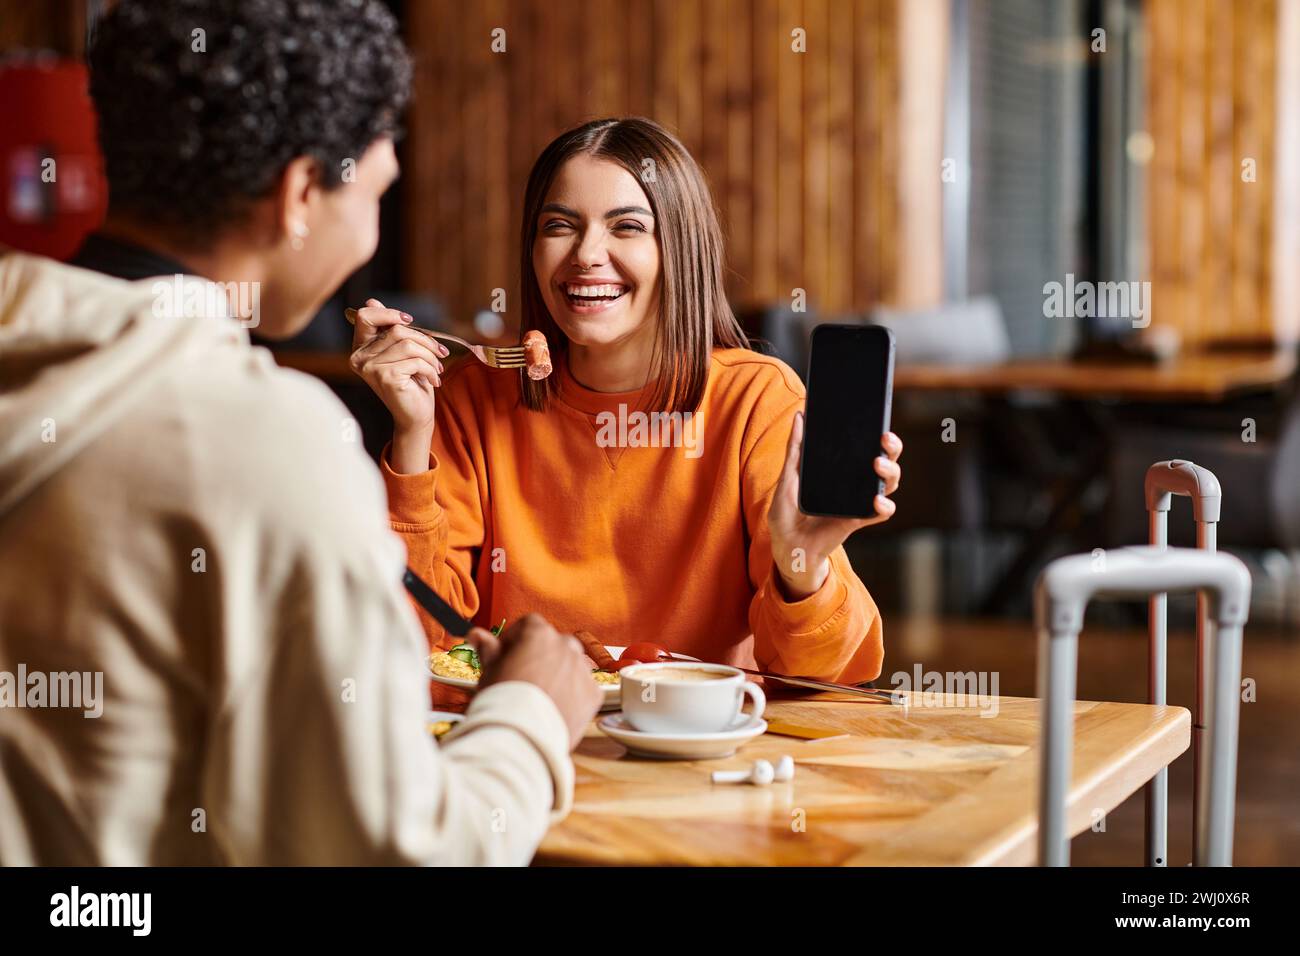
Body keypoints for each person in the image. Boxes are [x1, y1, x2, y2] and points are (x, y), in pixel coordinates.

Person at [0, 0, 600, 866]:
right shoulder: (269, 441)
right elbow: (390, 854)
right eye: (376, 194)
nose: (370, 234)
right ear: (299, 194)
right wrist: (532, 713)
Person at [352, 118, 903, 684]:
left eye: (628, 227)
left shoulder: (756, 402)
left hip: (700, 751)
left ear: (679, 249)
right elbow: (416, 645)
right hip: (524, 740)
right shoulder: (469, 399)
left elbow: (821, 673)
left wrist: (800, 565)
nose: (587, 254)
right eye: (559, 225)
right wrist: (412, 436)